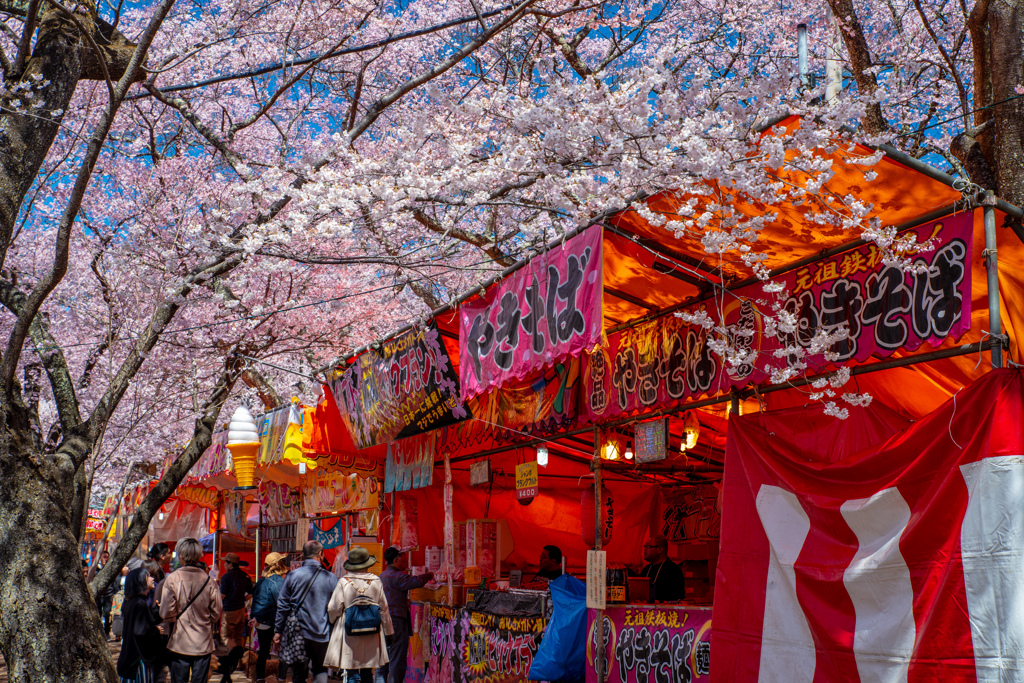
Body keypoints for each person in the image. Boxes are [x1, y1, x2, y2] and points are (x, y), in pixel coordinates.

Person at [324, 547, 394, 683]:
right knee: (367, 670)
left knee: (352, 671)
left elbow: (333, 608)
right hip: (372, 631)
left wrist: (333, 620)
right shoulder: (376, 581)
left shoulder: (344, 582)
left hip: (350, 631)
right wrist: (389, 632)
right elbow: (384, 609)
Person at [274, 540, 339, 683]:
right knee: (320, 670)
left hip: (298, 633)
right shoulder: (331, 578)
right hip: (322, 633)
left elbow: (283, 605)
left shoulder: (292, 576)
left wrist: (278, 630)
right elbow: (337, 607)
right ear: (321, 554)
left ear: (303, 555)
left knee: (299, 673)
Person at [160, 537, 223, 683]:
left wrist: (174, 617)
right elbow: (216, 613)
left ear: (181, 557)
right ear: (199, 556)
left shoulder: (172, 579)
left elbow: (165, 612)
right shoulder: (209, 582)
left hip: (179, 642)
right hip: (203, 643)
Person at [375, 547, 433, 683]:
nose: (406, 561)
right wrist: (430, 575)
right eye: (404, 558)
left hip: (381, 621)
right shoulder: (397, 576)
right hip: (395, 621)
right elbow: (416, 582)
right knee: (397, 658)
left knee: (383, 660)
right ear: (396, 560)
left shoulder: (381, 576)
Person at [117, 567, 164, 683]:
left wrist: (156, 612)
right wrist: (156, 631)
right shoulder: (139, 603)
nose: (153, 579)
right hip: (137, 661)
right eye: (148, 576)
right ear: (140, 580)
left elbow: (144, 623)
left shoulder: (133, 602)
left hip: (130, 660)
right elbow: (141, 632)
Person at [250, 552, 290, 683]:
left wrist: (254, 617)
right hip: (273, 620)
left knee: (263, 651)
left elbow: (254, 600)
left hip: (260, 621)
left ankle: (260, 678)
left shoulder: (261, 581)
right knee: (282, 651)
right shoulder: (278, 581)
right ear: (278, 564)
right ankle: (282, 678)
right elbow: (282, 603)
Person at [215, 552, 253, 681]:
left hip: (229, 610)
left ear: (231, 563)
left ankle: (232, 662)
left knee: (226, 636)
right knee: (237, 637)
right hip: (241, 609)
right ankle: (240, 663)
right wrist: (242, 599)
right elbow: (251, 593)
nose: (224, 565)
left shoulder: (226, 577)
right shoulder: (245, 576)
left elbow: (222, 596)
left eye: (226, 562)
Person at [639, 535, 686, 602]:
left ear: (660, 549)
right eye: (645, 546)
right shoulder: (646, 570)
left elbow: (677, 599)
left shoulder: (673, 570)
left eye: (648, 546)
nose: (645, 549)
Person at [92, 550, 120, 639]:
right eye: (104, 557)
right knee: (98, 614)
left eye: (107, 557)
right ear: (100, 558)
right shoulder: (96, 570)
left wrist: (113, 593)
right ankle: (98, 633)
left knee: (107, 614)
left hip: (108, 595)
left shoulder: (110, 569)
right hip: (98, 596)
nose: (105, 559)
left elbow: (114, 582)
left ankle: (106, 632)